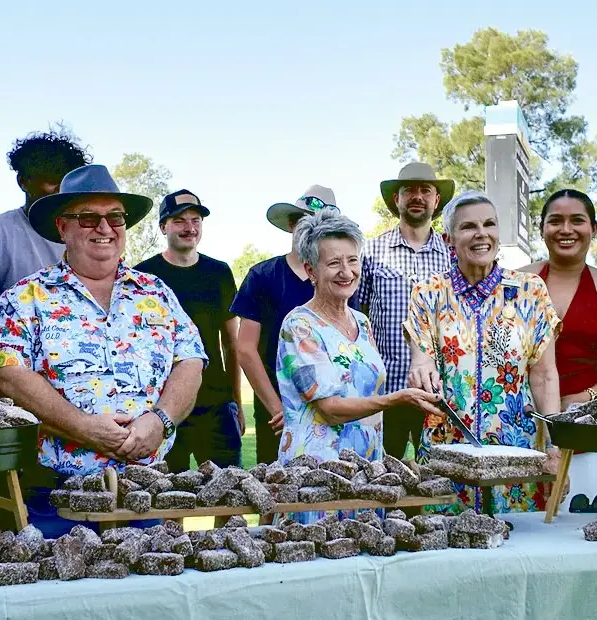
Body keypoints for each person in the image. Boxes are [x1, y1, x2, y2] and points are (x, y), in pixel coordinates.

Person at [0, 165, 207, 538]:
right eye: (88, 217)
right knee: (59, 594)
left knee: (147, 594)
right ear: (62, 227)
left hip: (144, 491)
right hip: (54, 495)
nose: (104, 228)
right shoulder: (26, 297)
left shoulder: (156, 293)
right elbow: (7, 375)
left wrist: (159, 421)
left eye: (115, 217)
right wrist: (83, 427)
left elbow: (190, 362)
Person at [277, 209, 442, 523]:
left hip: (366, 474)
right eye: (334, 263)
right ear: (311, 270)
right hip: (317, 477)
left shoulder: (363, 324)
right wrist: (398, 398)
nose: (346, 272)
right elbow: (330, 408)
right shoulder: (299, 326)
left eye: (353, 261)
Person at [406, 191, 562, 514]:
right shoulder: (428, 293)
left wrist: (555, 448)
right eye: (469, 227)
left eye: (489, 224)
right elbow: (420, 358)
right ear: (449, 239)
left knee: (519, 553)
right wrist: (422, 371)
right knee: (447, 552)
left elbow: (545, 376)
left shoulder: (530, 291)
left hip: (516, 452)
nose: (481, 233)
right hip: (447, 451)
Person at [520, 189, 597, 504]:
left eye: (577, 221)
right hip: (523, 425)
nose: (566, 229)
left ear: (594, 229)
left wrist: (581, 400)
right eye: (555, 221)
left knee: (589, 525)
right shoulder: (516, 281)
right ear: (542, 228)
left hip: (588, 426)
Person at [136, 189, 243, 471]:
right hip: (164, 405)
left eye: (195, 220)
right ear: (163, 227)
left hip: (216, 404)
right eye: (180, 221)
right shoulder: (145, 277)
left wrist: (236, 404)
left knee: (231, 491)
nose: (190, 228)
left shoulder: (218, 272)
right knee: (170, 498)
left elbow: (232, 344)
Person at [355, 162, 454, 460]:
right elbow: (356, 317)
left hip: (439, 393)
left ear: (436, 200)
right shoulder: (371, 252)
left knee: (438, 480)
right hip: (385, 393)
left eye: (426, 190)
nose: (417, 196)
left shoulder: (453, 258)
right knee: (383, 480)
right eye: (409, 190)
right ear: (396, 199)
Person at [232, 186, 336, 465]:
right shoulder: (262, 276)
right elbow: (245, 350)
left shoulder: (340, 279)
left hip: (332, 407)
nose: (313, 230)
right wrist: (279, 408)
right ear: (291, 223)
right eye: (305, 221)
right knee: (274, 491)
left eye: (322, 225)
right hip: (275, 408)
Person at [0, 127, 91, 338]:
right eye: (52, 179)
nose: (60, 189)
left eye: (68, 180)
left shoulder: (90, 234)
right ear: (23, 181)